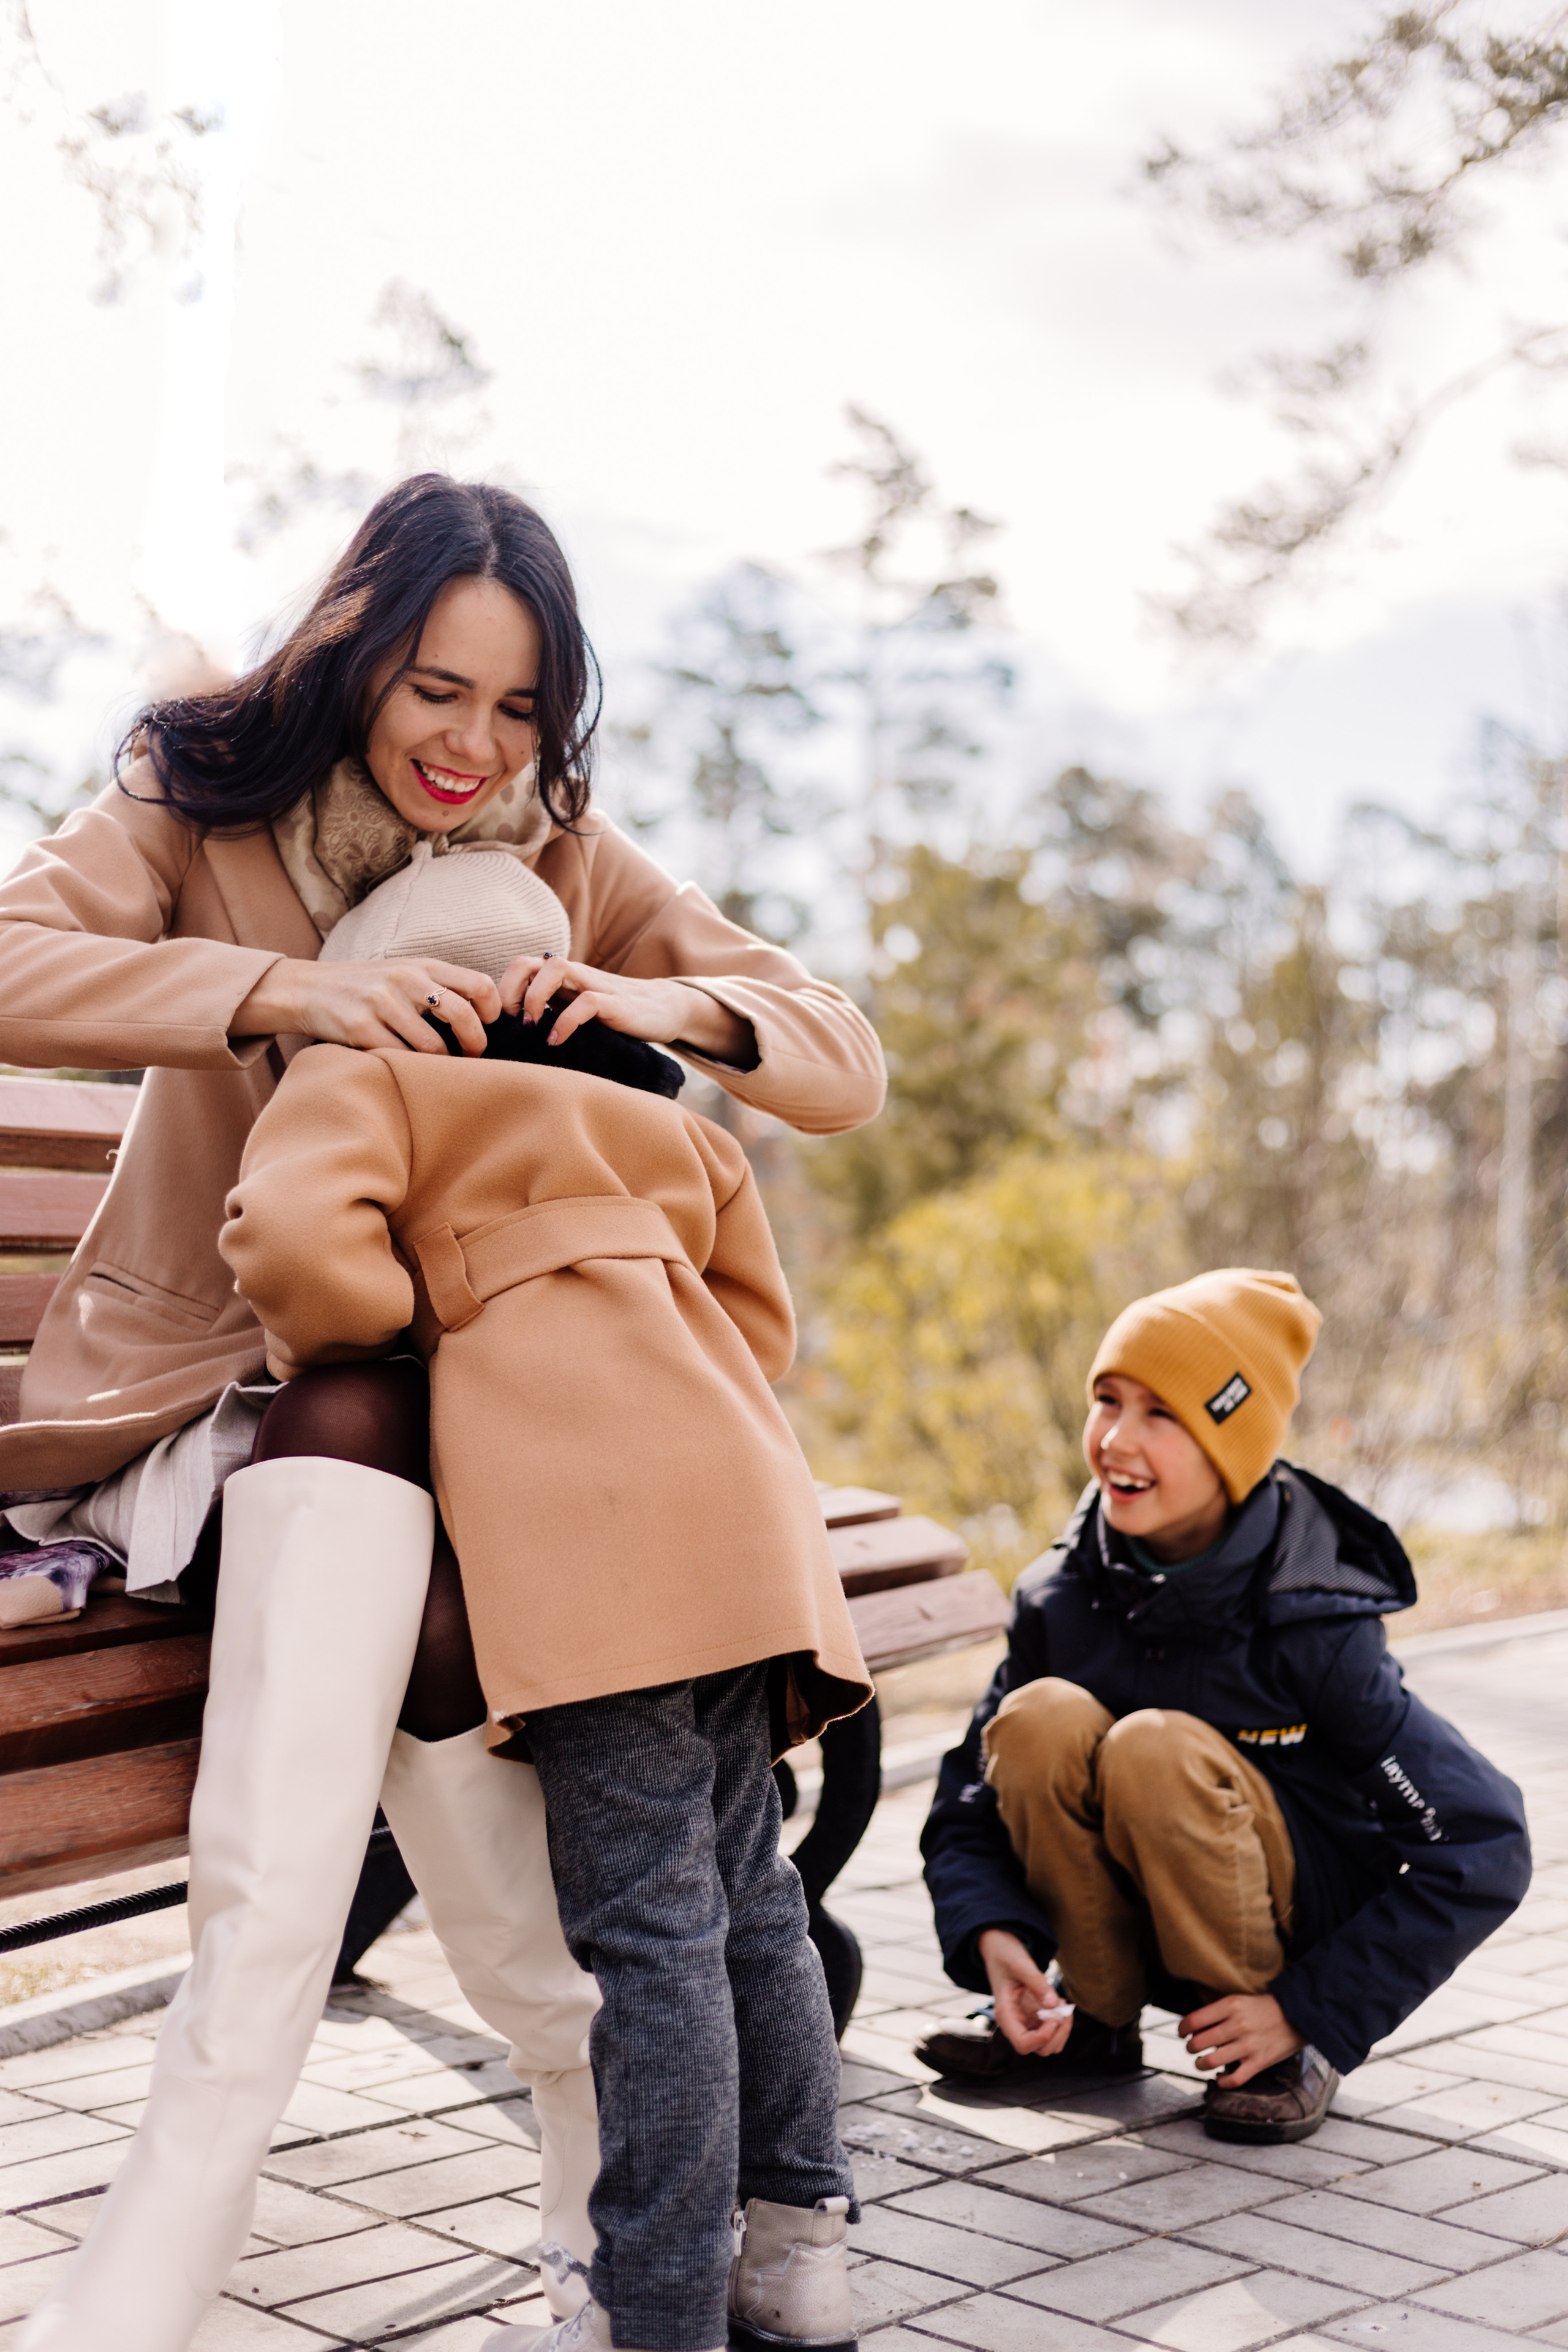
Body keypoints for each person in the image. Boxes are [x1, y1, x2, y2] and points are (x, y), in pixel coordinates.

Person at [3, 473, 885, 2352]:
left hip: (455, 1438)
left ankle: (566, 2204)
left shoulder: (563, 850)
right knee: (433, 1598)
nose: (473, 748)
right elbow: (13, 966)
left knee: (514, 1717)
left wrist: (674, 1014)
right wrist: (293, 1000)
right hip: (222, 1405)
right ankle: (605, 2193)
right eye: (433, 693)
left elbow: (836, 1047)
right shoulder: (197, 792)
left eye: (517, 707)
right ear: (352, 659)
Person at [219, 845, 873, 2352]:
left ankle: (652, 2302)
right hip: (746, 1523)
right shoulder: (659, 1118)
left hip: (595, 1551)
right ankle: (803, 2246)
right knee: (750, 1897)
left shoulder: (368, 1079)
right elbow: (754, 1323)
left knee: (644, 1931)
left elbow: (298, 1254)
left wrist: (439, 1316)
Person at [918, 1268, 1531, 2144]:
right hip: (1128, 1932)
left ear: (1234, 1447)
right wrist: (993, 1935)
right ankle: (1092, 2018)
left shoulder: (1313, 1624)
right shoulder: (1060, 1596)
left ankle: (1272, 2058)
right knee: (1039, 1717)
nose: (1118, 1439)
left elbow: (1483, 1843)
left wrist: (1307, 2011)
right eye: (1108, 1399)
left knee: (1154, 1749)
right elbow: (970, 1799)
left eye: (1164, 1413)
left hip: (1276, 1953)